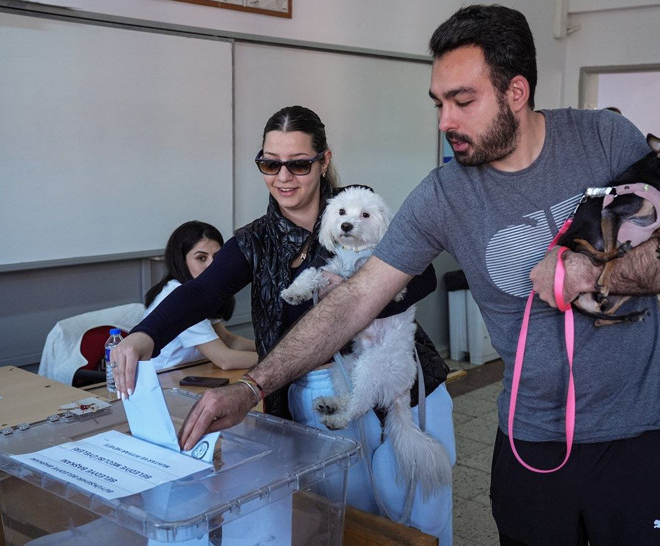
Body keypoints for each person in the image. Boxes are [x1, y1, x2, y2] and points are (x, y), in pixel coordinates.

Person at [115, 5, 660, 544]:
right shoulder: (442, 196)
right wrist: (251, 388)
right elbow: (356, 300)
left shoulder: (605, 139)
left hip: (641, 433)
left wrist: (592, 271)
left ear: (515, 91)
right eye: (438, 103)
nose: (444, 121)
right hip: (532, 438)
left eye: (463, 101)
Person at [113, 105, 455, 543]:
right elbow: (202, 291)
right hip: (321, 394)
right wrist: (146, 334)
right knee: (355, 523)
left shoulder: (356, 207)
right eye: (270, 163)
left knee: (423, 516)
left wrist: (355, 303)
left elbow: (420, 274)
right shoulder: (255, 240)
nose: (283, 177)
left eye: (298, 164)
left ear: (324, 161)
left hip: (401, 376)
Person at [142, 220, 257, 371]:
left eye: (217, 258)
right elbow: (226, 360)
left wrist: (271, 347)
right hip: (163, 381)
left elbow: (228, 339)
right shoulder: (179, 294)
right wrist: (282, 359)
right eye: (201, 258)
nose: (212, 266)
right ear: (181, 261)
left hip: (187, 373)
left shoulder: (204, 293)